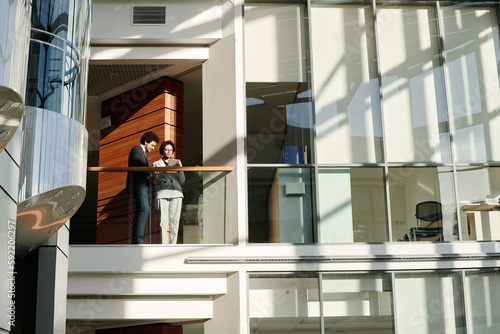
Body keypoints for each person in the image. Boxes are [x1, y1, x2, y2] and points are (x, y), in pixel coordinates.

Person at [126, 131, 160, 244]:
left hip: (143, 187)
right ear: (146, 141)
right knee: (144, 209)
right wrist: (152, 171)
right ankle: (138, 240)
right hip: (139, 187)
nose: (153, 148)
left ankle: (136, 239)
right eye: (152, 145)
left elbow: (141, 171)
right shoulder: (137, 149)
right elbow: (138, 163)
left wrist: (151, 178)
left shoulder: (143, 153)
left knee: (141, 210)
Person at [152, 140, 185, 244]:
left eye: (170, 150)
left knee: (175, 220)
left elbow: (182, 180)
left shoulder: (177, 162)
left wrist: (179, 170)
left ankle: (173, 244)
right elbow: (156, 181)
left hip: (176, 193)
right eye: (166, 149)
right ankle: (163, 244)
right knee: (163, 221)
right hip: (163, 192)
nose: (168, 152)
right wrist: (164, 172)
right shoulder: (156, 164)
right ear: (162, 150)